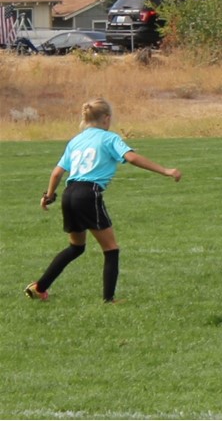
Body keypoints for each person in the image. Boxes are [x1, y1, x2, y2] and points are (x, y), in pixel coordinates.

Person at [26, 98, 182, 303]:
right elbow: (132, 158)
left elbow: (57, 173)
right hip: (89, 193)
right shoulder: (109, 139)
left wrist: (48, 196)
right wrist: (165, 170)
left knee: (76, 247)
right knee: (111, 248)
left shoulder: (75, 141)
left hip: (69, 193)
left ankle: (39, 287)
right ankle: (109, 299)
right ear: (106, 118)